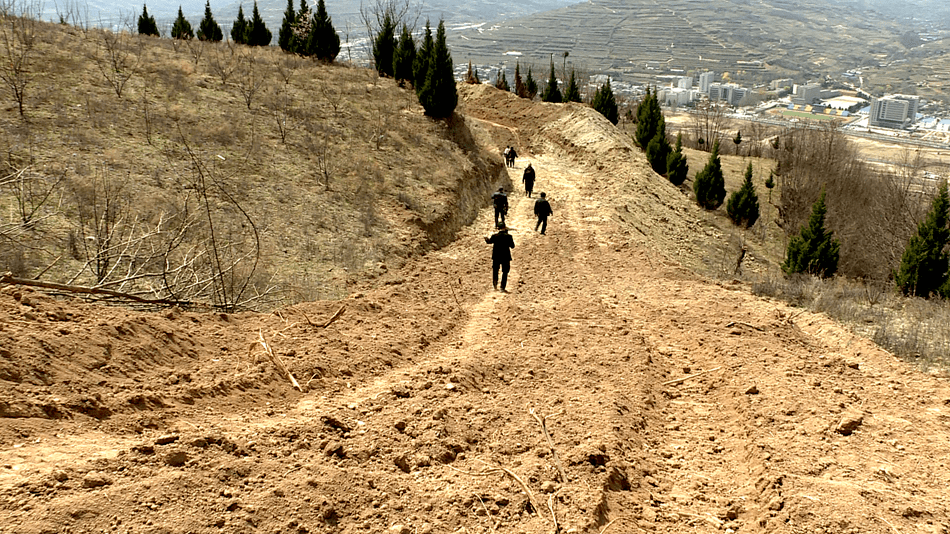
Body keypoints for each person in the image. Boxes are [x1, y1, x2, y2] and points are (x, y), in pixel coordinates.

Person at [484, 221, 515, 292]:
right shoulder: (509, 236)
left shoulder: (494, 236)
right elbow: (512, 246)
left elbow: (489, 242)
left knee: (495, 271)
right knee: (505, 272)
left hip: (496, 256)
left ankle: (495, 286)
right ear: (504, 227)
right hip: (505, 257)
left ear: (498, 228)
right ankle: (502, 287)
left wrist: (486, 239)